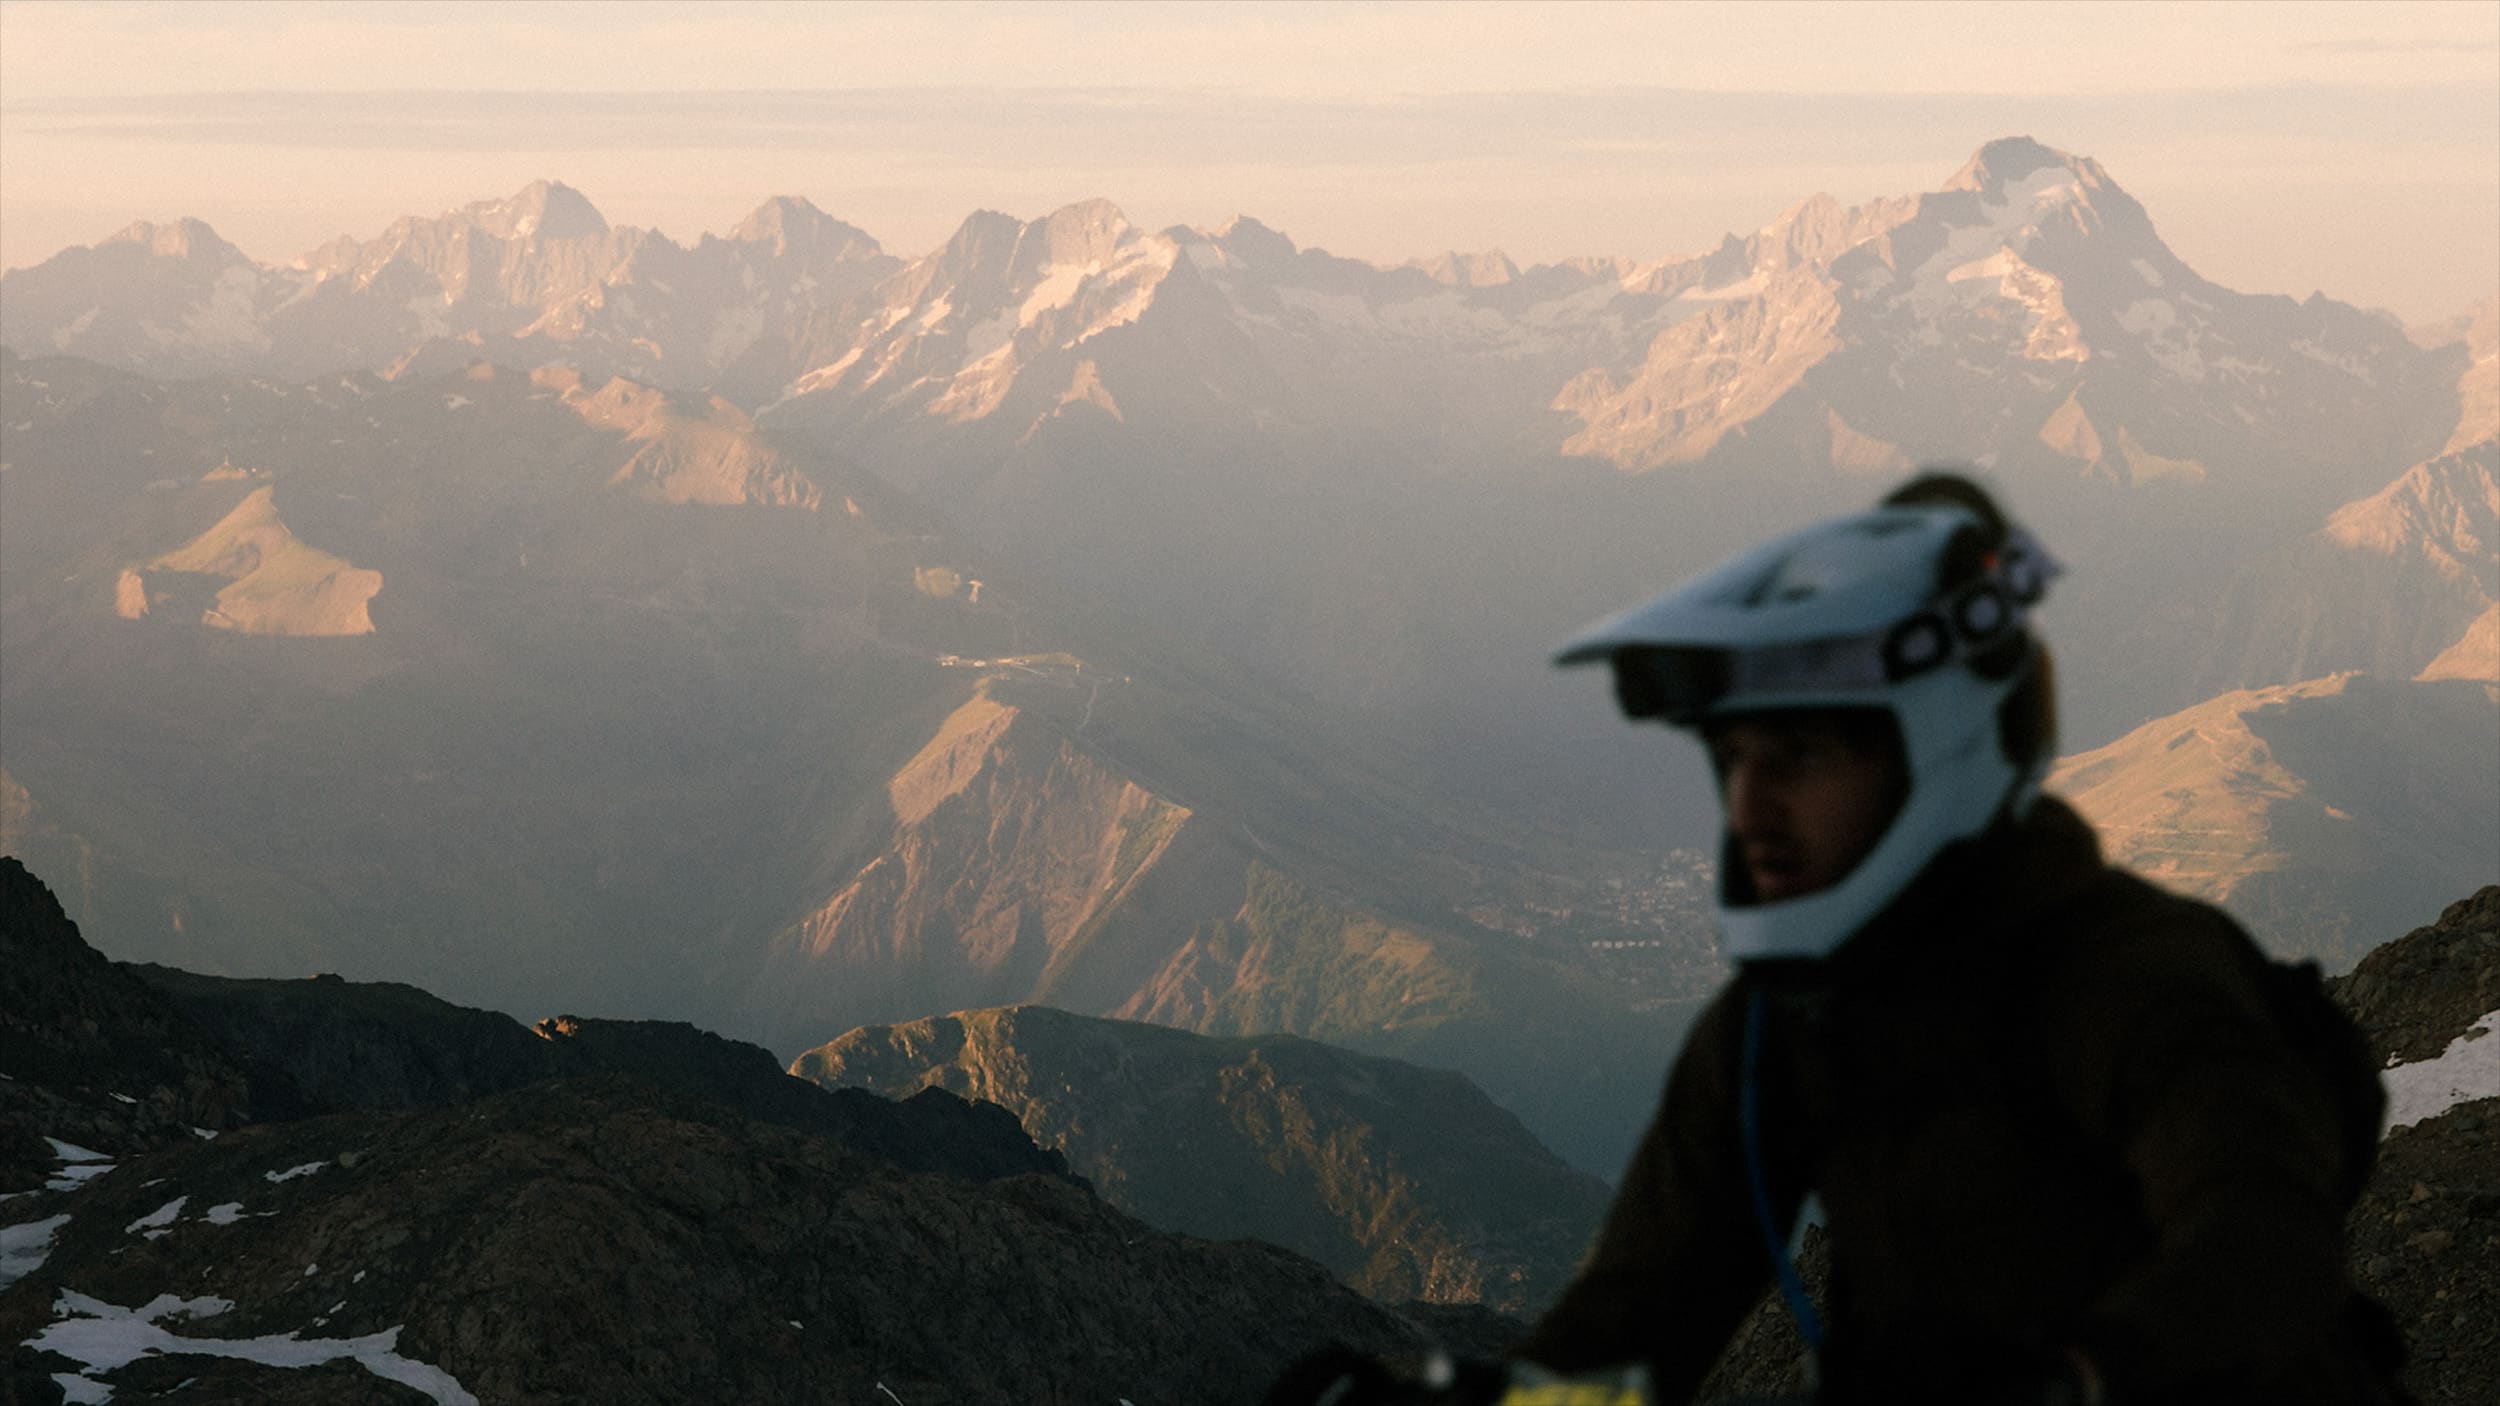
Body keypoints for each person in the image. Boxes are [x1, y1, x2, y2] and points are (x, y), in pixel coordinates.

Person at [1266, 471, 2402, 1406]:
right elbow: (1627, 1347)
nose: (1750, 805)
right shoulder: (1785, 1021)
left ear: (1938, 751)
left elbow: (2261, 1235)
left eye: (1800, 755)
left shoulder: (2128, 973)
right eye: (1733, 757)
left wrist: (2082, 1376)